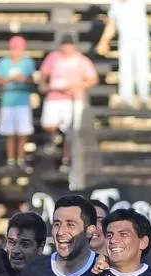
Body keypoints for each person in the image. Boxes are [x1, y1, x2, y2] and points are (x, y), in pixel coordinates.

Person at [39, 35, 98, 173]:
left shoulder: (81, 60)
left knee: (71, 132)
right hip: (54, 96)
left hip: (72, 98)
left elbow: (92, 79)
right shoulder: (53, 57)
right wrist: (43, 85)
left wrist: (77, 86)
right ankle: (56, 137)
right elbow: (43, 74)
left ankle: (67, 160)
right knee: (48, 124)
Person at [96, 0, 150, 108]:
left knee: (142, 69)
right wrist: (104, 41)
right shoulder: (115, 4)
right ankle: (126, 98)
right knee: (125, 70)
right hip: (125, 41)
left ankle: (144, 98)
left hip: (140, 40)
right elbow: (111, 25)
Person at [0, 36, 36, 172]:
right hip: (8, 101)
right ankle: (11, 160)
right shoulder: (4, 62)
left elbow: (32, 79)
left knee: (23, 133)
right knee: (10, 133)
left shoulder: (28, 62)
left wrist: (23, 79)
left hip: (23, 100)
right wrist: (9, 79)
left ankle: (21, 159)